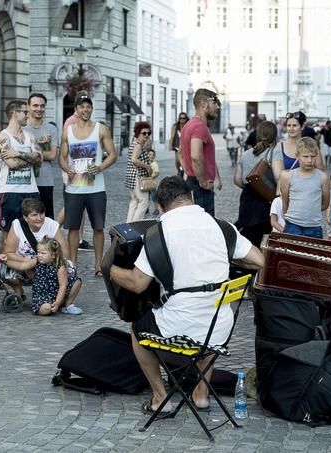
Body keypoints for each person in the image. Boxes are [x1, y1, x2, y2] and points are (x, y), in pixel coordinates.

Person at [108, 176, 264, 414]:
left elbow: (137, 283)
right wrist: (228, 253)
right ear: (191, 197)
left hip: (179, 327)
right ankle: (201, 395)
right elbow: (259, 260)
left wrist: (109, 269)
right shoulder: (222, 227)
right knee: (210, 317)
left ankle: (160, 398)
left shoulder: (157, 234)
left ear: (160, 206)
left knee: (137, 329)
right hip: (219, 328)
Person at [59, 91, 118, 276]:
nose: (86, 110)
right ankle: (73, 265)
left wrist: (100, 167)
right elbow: (61, 156)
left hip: (96, 188)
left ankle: (99, 266)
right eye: (82, 107)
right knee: (73, 229)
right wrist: (66, 168)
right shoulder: (68, 131)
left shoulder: (100, 129)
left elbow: (113, 155)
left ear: (91, 109)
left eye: (88, 107)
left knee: (98, 227)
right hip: (74, 188)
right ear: (76, 110)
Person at [0, 99, 42, 245]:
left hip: (31, 190)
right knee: (7, 233)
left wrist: (18, 153)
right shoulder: (3, 137)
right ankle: (4, 266)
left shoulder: (30, 137)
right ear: (15, 114)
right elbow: (12, 164)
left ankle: (26, 266)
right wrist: (29, 157)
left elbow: (40, 159)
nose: (28, 115)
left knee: (32, 231)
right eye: (25, 112)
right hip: (10, 192)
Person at [2, 198, 69, 300]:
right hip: (24, 266)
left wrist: (46, 263)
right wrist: (28, 263)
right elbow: (9, 252)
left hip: (47, 266)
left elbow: (65, 253)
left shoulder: (51, 225)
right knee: (3, 268)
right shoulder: (17, 225)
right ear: (25, 217)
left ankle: (55, 295)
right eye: (34, 215)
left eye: (42, 213)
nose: (39, 218)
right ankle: (18, 290)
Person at [234, 121, 282, 246]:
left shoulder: (245, 154)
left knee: (248, 237)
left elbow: (238, 180)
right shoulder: (275, 152)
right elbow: (278, 177)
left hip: (247, 198)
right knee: (263, 239)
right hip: (265, 199)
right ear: (274, 135)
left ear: (257, 135)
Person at [181, 88, 223, 216]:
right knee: (205, 227)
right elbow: (195, 156)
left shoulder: (188, 125)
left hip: (193, 182)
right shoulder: (199, 126)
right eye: (215, 102)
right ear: (204, 104)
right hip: (199, 186)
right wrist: (203, 181)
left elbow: (182, 154)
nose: (217, 106)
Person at [279, 137, 330, 239]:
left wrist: (311, 210)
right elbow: (285, 201)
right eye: (305, 156)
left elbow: (325, 204)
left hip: (314, 226)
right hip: (293, 225)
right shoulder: (288, 176)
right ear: (297, 156)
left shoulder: (322, 177)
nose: (310, 160)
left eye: (313, 156)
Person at [24, 93, 59, 219]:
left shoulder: (51, 129)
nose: (39, 109)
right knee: (26, 220)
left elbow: (53, 155)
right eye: (35, 105)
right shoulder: (22, 128)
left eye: (42, 106)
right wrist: (39, 145)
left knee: (46, 219)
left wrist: (30, 152)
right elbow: (19, 154)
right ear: (28, 107)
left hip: (45, 181)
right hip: (26, 182)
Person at [32, 237, 83, 316]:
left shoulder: (60, 267)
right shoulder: (37, 261)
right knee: (47, 309)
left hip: (56, 293)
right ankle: (49, 306)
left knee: (77, 282)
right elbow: (23, 265)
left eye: (43, 253)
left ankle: (68, 305)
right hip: (41, 296)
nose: (39, 255)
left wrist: (58, 302)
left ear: (53, 255)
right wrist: (8, 261)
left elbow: (63, 285)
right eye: (38, 252)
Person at [124, 121, 153, 222]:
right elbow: (134, 160)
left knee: (134, 202)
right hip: (138, 177)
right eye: (144, 133)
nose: (146, 135)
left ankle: (128, 226)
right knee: (143, 202)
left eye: (148, 133)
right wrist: (147, 167)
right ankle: (135, 226)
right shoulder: (138, 145)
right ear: (138, 133)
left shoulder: (135, 143)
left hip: (132, 178)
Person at [168, 112, 188, 177]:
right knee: (177, 161)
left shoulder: (188, 125)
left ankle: (182, 172)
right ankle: (180, 171)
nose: (182, 119)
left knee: (184, 160)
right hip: (177, 146)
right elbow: (172, 136)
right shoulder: (175, 126)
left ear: (186, 119)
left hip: (186, 146)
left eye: (184, 118)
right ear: (178, 119)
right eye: (180, 118)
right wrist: (170, 145)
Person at [147, 149, 161, 216]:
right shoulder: (145, 163)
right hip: (145, 183)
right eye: (149, 154)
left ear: (154, 156)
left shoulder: (155, 164)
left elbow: (157, 172)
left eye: (153, 155)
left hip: (152, 183)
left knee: (154, 196)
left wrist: (153, 176)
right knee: (146, 197)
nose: (151, 156)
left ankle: (156, 209)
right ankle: (146, 209)